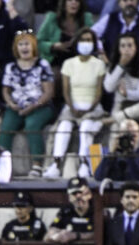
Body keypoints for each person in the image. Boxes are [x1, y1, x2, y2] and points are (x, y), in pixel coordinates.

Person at [44, 28, 106, 180]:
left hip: (92, 107)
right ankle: (56, 164)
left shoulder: (98, 64)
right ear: (77, 43)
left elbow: (99, 92)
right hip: (72, 106)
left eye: (89, 40)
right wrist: (72, 107)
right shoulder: (69, 63)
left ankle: (84, 163)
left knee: (85, 128)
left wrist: (89, 109)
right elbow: (66, 90)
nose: (86, 43)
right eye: (83, 40)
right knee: (63, 127)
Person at [0, 30, 54, 178]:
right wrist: (10, 103)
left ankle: (37, 166)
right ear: (16, 48)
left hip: (40, 106)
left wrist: (32, 107)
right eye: (21, 44)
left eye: (27, 44)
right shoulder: (10, 66)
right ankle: (2, 166)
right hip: (16, 107)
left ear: (33, 46)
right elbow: (5, 90)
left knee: (32, 125)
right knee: (6, 127)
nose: (24, 47)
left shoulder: (42, 64)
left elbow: (48, 92)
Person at [92, 32, 139, 152]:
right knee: (117, 126)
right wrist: (120, 66)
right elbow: (108, 87)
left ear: (136, 48)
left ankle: (111, 119)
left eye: (130, 46)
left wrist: (127, 93)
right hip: (120, 105)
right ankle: (112, 157)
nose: (126, 49)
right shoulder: (114, 66)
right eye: (123, 46)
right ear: (118, 48)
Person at [36, 0, 93, 70]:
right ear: (63, 3)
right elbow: (38, 42)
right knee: (57, 74)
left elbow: (94, 41)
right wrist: (53, 46)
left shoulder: (86, 19)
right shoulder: (52, 18)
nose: (74, 2)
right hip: (56, 61)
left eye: (77, 0)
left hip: (80, 62)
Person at [45, 176, 94, 244]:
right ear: (69, 197)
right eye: (74, 193)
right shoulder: (65, 211)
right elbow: (51, 232)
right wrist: (54, 235)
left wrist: (75, 236)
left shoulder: (97, 211)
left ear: (89, 194)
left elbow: (101, 235)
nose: (78, 196)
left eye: (81, 192)